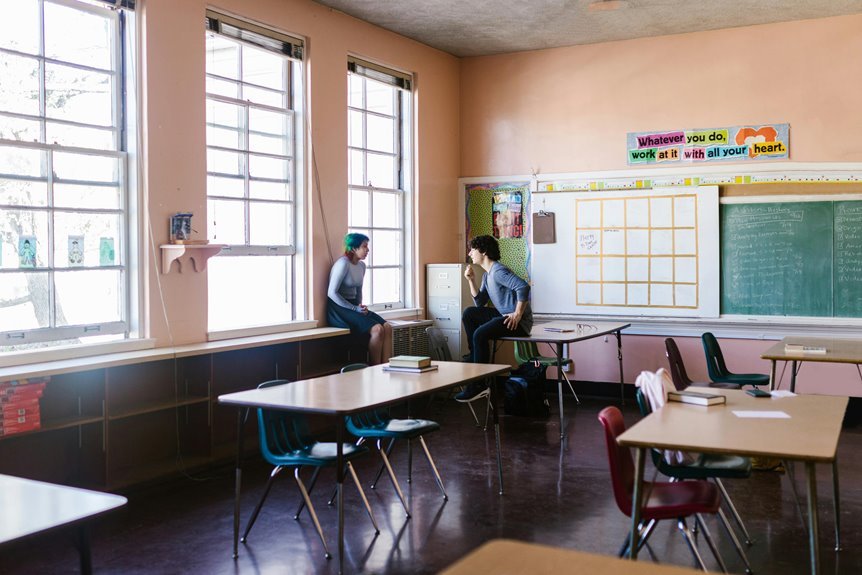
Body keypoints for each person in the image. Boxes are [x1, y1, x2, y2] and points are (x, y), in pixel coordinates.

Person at [456, 235, 533, 401]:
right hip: (502, 316)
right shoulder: (486, 275)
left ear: (483, 251)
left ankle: (479, 383)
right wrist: (471, 280)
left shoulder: (498, 271)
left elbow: (523, 287)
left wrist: (518, 314)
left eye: (472, 250)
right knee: (469, 313)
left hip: (517, 323)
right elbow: (480, 303)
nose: (470, 253)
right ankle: (474, 352)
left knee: (479, 334)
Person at [327, 233, 393, 365]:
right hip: (339, 307)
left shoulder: (361, 266)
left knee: (387, 327)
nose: (367, 250)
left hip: (354, 305)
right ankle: (376, 367)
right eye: (364, 246)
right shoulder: (343, 264)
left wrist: (360, 306)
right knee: (377, 329)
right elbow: (331, 293)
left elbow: (359, 290)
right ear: (353, 249)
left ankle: (386, 365)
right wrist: (354, 308)